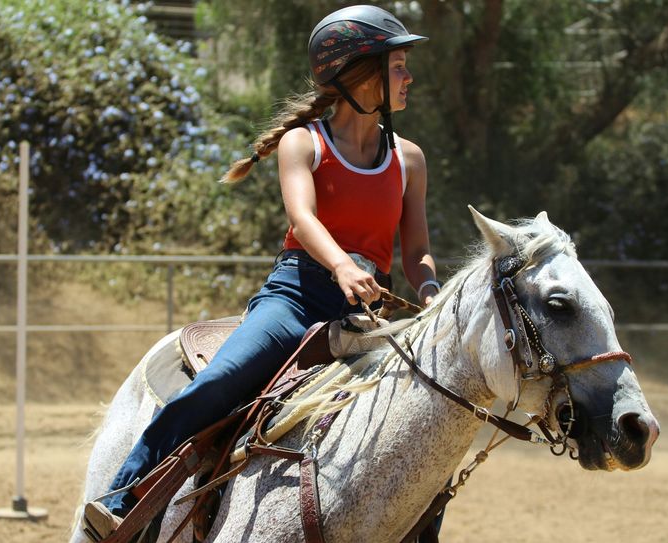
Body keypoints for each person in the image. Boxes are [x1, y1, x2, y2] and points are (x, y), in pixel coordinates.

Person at [82, 5, 439, 540]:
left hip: (370, 314)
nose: (408, 77)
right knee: (221, 381)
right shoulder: (305, 143)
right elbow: (303, 217)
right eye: (398, 65)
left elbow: (417, 249)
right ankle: (124, 492)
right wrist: (342, 265)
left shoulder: (409, 158)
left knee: (428, 420)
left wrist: (431, 290)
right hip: (296, 299)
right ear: (357, 73)